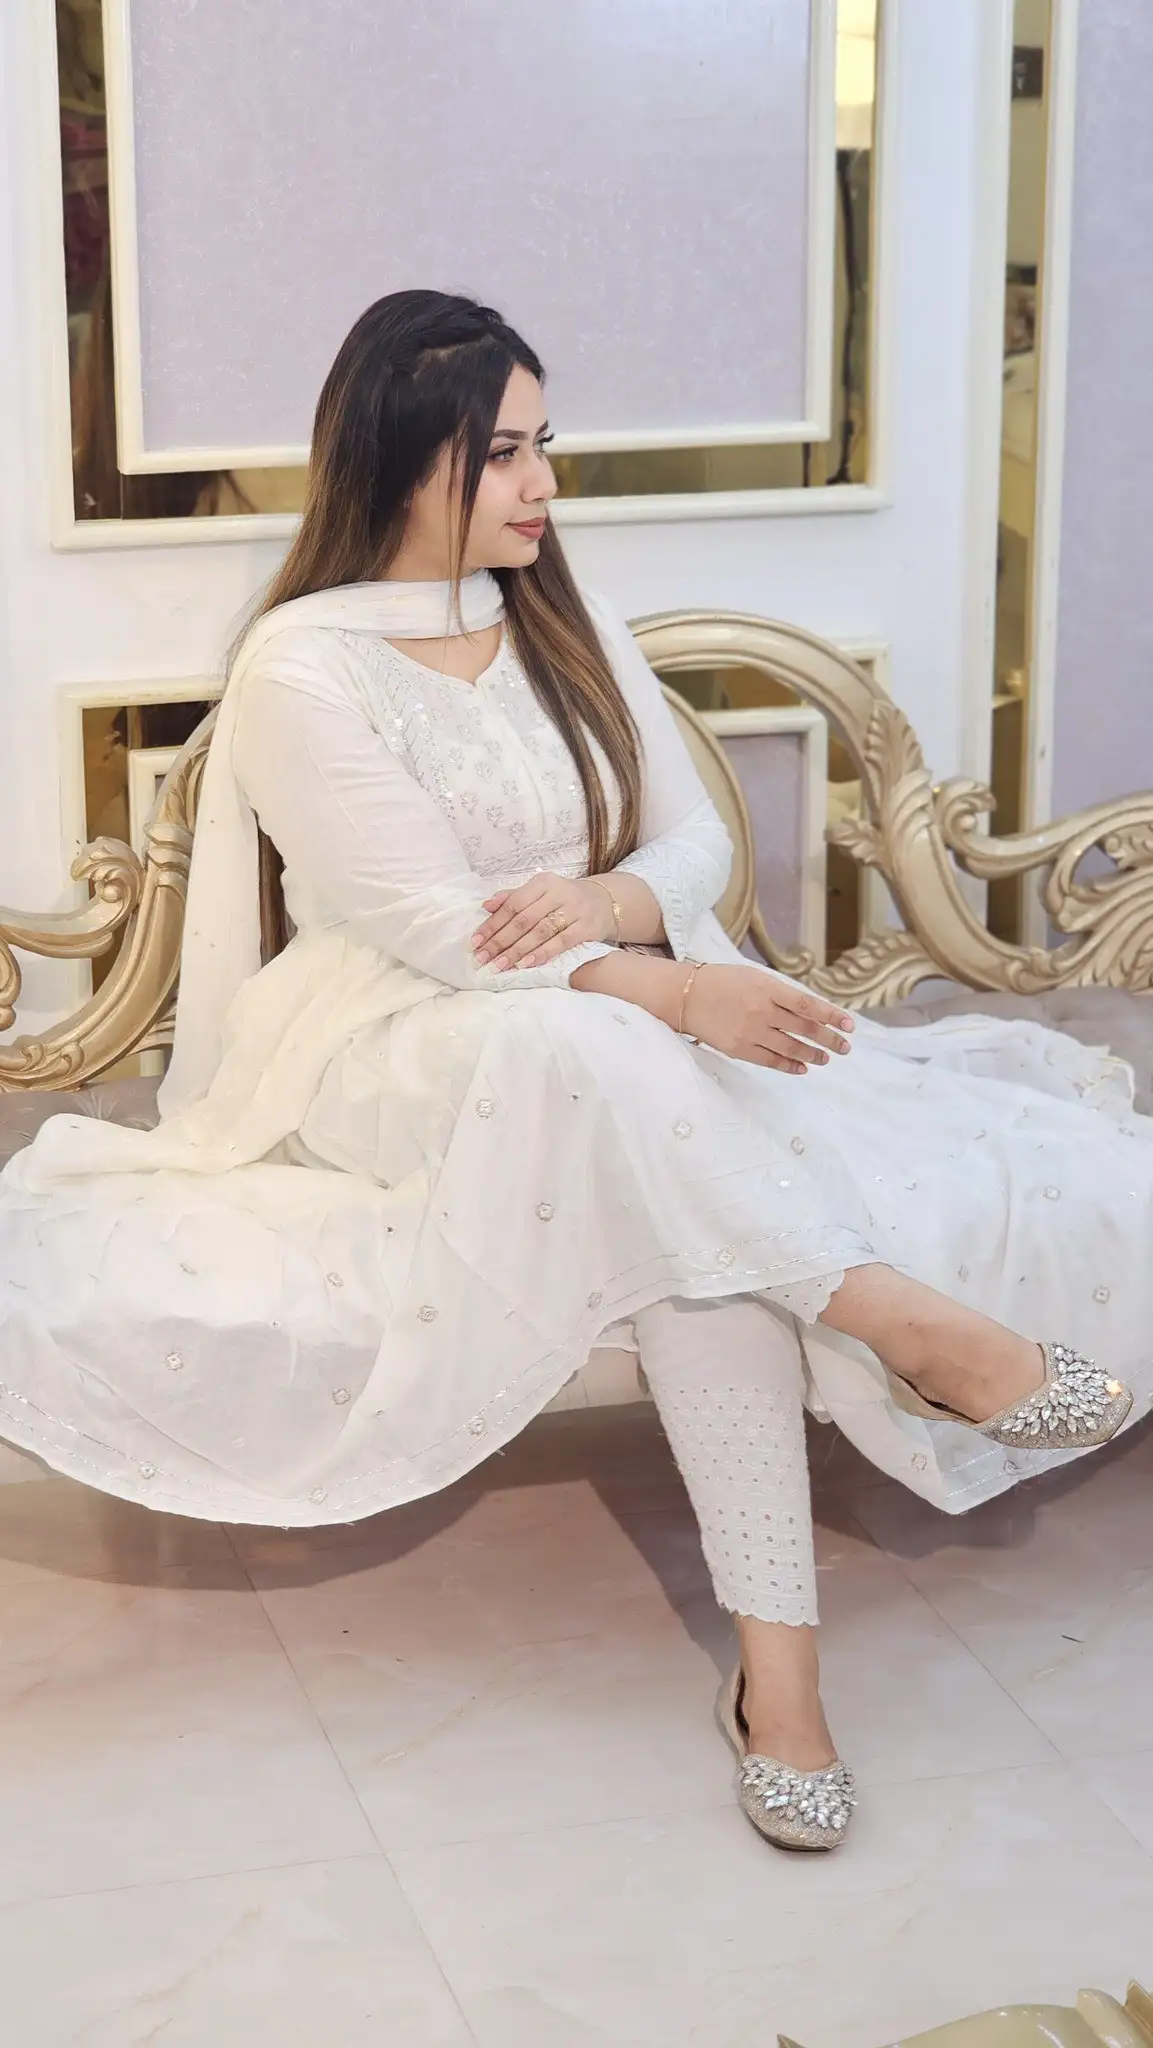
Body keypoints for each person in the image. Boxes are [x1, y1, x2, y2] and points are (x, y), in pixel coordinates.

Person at [0, 290, 1145, 1855]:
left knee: (683, 1228)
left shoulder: (555, 612)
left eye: (547, 445)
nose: (545, 485)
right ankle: (903, 1323)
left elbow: (691, 840)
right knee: (581, 1047)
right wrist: (673, 987)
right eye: (505, 454)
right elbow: (427, 927)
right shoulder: (300, 667)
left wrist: (614, 912)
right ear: (401, 457)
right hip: (384, 1037)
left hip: (603, 1035)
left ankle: (782, 1686)